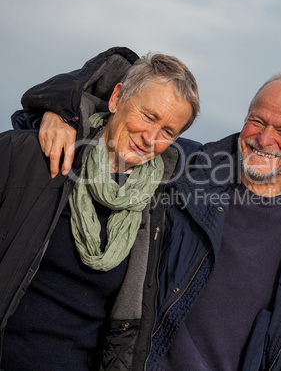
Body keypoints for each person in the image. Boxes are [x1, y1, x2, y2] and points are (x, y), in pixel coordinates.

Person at [12, 52, 281, 370]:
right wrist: (59, 113)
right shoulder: (181, 167)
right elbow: (121, 113)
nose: (264, 139)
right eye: (257, 121)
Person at [0, 48, 200, 370]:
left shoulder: (158, 207)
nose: (150, 138)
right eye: (148, 116)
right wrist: (52, 109)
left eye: (168, 132)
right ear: (117, 97)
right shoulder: (31, 153)